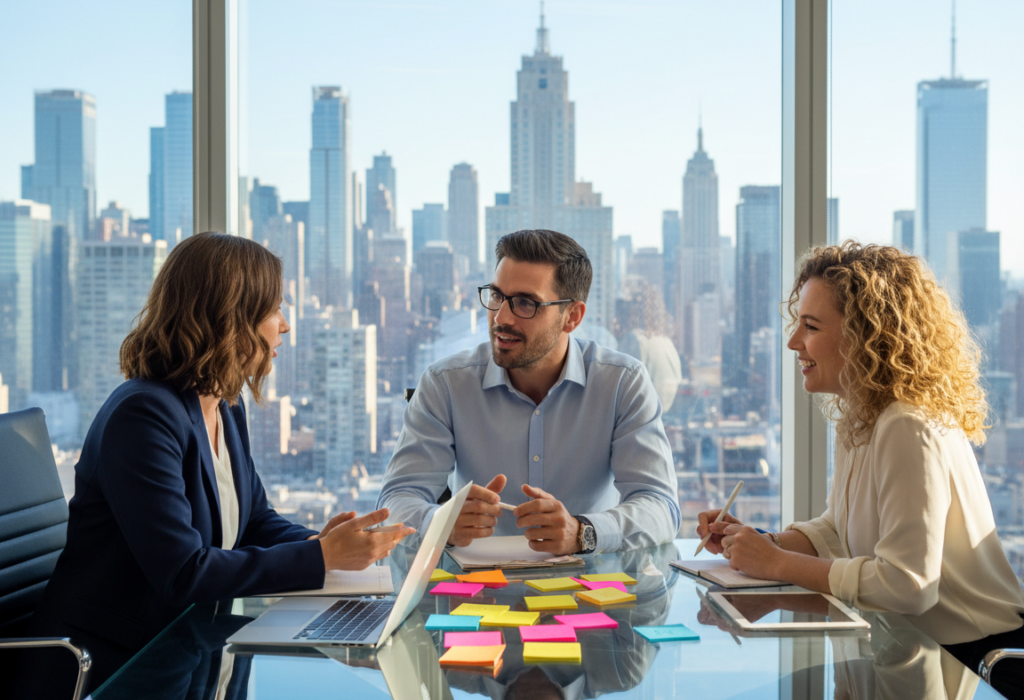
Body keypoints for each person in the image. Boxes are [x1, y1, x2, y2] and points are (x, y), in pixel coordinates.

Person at [27, 232, 413, 689]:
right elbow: (183, 573)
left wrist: (327, 544)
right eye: (274, 311)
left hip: (195, 654)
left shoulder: (225, 405)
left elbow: (254, 522)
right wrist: (319, 556)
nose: (284, 326)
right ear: (231, 320)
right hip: (114, 668)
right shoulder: (143, 416)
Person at [696, 242, 1024, 691]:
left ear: (866, 335)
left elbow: (908, 584)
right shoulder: (863, 417)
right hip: (903, 650)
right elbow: (838, 532)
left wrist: (776, 564)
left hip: (971, 663)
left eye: (810, 327)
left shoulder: (907, 426)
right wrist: (758, 544)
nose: (794, 342)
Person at [377, 229, 680, 555]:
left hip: (587, 590)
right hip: (479, 592)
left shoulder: (623, 382)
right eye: (496, 296)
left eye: (525, 303)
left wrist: (582, 532)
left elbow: (661, 507)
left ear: (572, 317)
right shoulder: (445, 384)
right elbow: (396, 499)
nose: (501, 318)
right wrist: (440, 522)